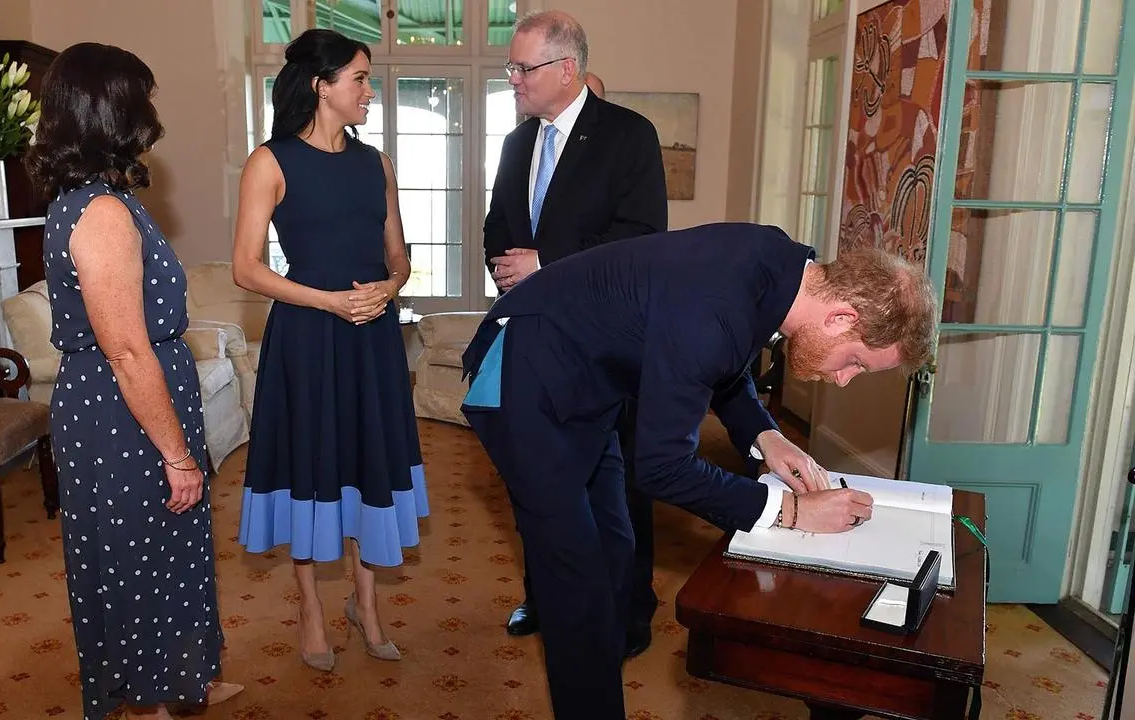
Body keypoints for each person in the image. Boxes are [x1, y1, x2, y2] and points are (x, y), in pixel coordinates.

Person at [460, 222, 938, 719]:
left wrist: (766, 435)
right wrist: (790, 511)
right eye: (856, 362)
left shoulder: (782, 266)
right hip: (522, 377)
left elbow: (721, 363)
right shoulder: (714, 310)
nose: (842, 380)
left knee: (616, 554)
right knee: (575, 581)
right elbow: (663, 467)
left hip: (587, 380)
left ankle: (595, 676)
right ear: (842, 317)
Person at [24, 42, 243, 720]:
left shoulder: (91, 200)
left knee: (155, 556)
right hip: (121, 416)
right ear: (111, 109)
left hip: (119, 410)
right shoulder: (102, 213)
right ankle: (149, 701)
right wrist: (178, 455)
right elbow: (126, 351)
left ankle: (177, 683)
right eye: (141, 96)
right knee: (140, 565)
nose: (152, 111)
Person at [233, 28, 429, 672]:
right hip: (309, 338)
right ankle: (312, 607)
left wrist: (390, 285)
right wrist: (328, 301)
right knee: (312, 463)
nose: (370, 91)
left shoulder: (378, 163)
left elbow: (398, 254)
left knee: (368, 461)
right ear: (322, 86)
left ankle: (367, 604)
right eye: (360, 80)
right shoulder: (270, 161)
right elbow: (245, 269)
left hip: (372, 335)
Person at [484, 10, 668, 657]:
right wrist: (506, 269)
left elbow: (642, 239)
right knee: (537, 481)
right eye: (512, 67)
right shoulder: (515, 143)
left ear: (566, 68)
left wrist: (548, 263)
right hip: (533, 345)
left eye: (522, 68)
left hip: (608, 351)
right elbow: (496, 226)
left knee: (618, 491)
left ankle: (627, 612)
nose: (513, 79)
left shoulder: (629, 137)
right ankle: (547, 595)